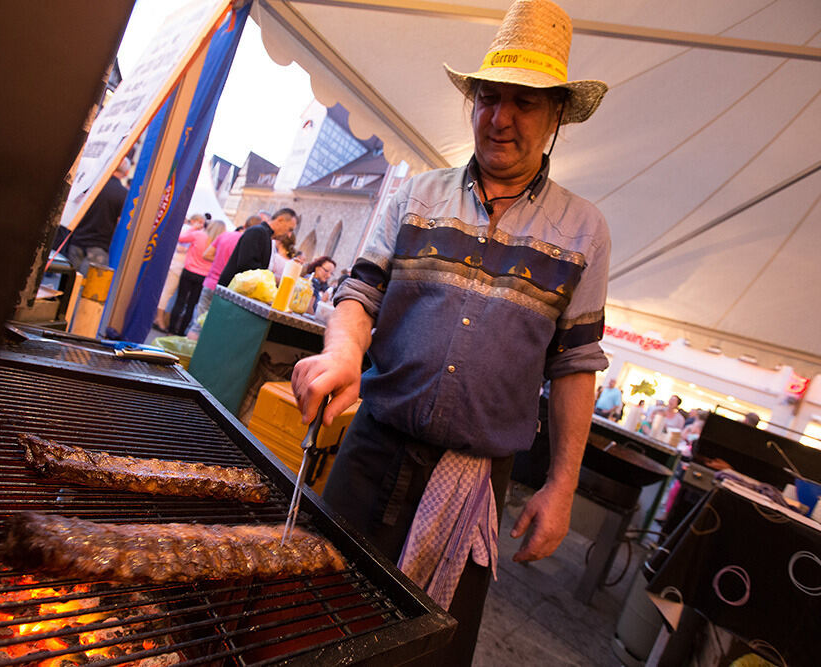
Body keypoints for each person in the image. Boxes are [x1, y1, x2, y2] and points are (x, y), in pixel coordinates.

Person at [290, 1, 610, 662]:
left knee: (425, 648)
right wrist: (343, 350)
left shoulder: (584, 232)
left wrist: (562, 484)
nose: (500, 117)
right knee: (315, 620)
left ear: (556, 118)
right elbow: (360, 291)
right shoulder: (417, 195)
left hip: (472, 482)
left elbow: (576, 362)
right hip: (373, 449)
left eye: (524, 102)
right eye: (489, 97)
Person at [185, 215, 260, 339]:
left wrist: (220, 260)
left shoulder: (225, 235)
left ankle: (185, 353)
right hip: (228, 289)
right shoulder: (247, 245)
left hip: (210, 283)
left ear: (245, 225)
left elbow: (207, 254)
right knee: (216, 328)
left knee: (197, 324)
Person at [64, 158, 130, 275]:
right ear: (126, 173)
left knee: (66, 284)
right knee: (86, 290)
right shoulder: (123, 194)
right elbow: (120, 224)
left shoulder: (92, 186)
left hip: (77, 240)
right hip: (99, 246)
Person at [217, 208, 299, 290]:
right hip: (231, 292)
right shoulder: (257, 232)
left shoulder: (266, 236)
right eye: (290, 230)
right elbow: (247, 266)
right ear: (280, 220)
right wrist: (274, 278)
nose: (289, 235)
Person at [154, 213, 204, 332]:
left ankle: (162, 318)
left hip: (181, 266)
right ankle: (159, 318)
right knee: (169, 292)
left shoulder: (193, 232)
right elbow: (179, 242)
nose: (202, 225)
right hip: (177, 265)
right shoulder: (188, 230)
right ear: (194, 221)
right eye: (200, 222)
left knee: (173, 295)